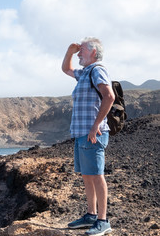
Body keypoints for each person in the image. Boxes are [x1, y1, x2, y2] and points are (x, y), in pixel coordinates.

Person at [62, 37, 115, 236]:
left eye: (81, 50)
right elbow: (66, 69)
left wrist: (95, 126)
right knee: (87, 175)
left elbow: (109, 97)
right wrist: (69, 51)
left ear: (93, 52)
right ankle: (91, 215)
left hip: (93, 133)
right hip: (82, 134)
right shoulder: (84, 73)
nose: (78, 54)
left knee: (97, 175)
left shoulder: (97, 70)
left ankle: (103, 221)